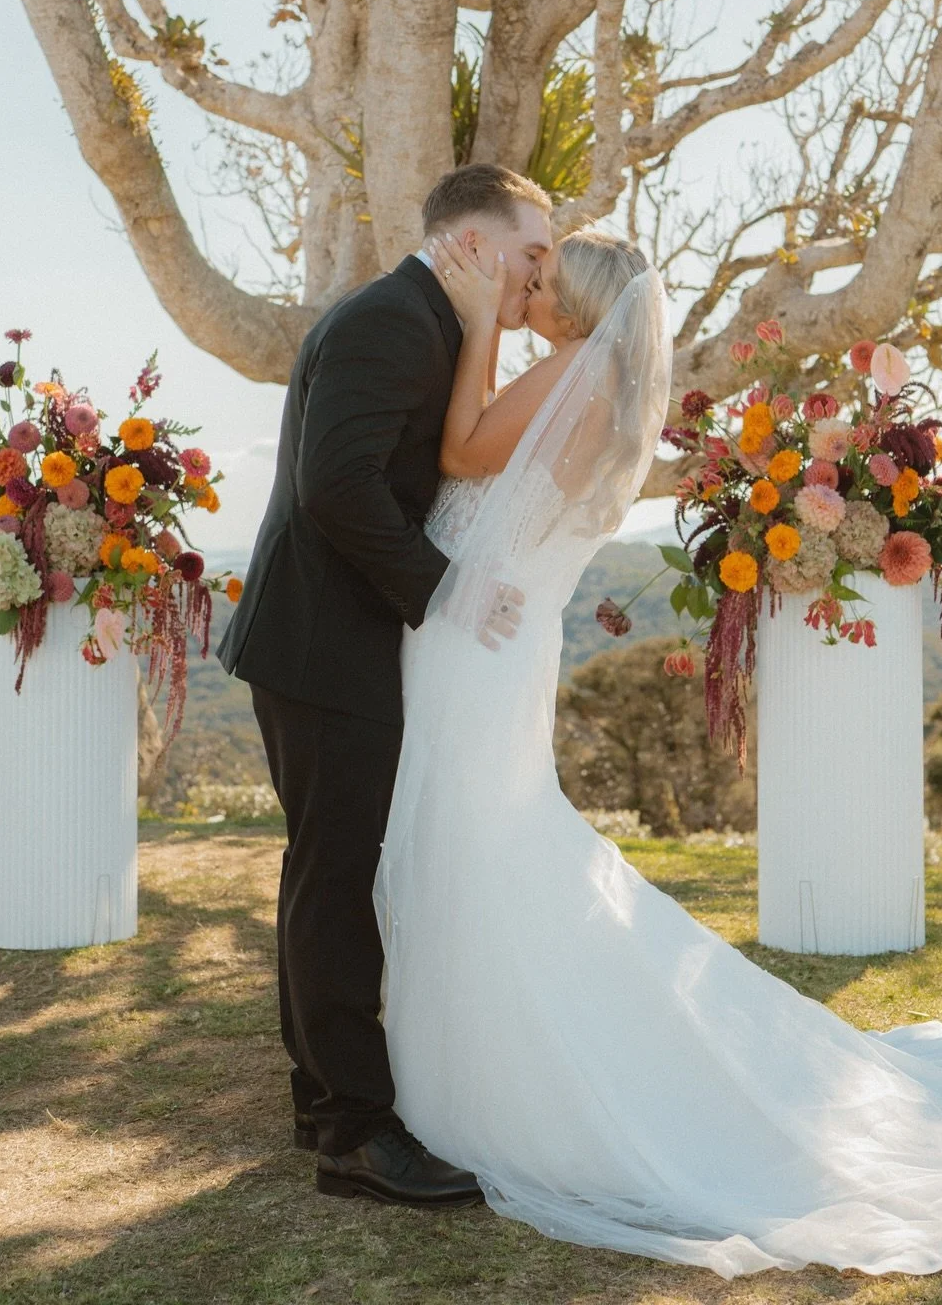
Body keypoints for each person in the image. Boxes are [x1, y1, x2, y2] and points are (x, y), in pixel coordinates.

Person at [374, 231, 942, 1282]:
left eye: (542, 283)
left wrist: (466, 328)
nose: (526, 289)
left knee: (481, 839)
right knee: (489, 835)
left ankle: (493, 1078)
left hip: (475, 641)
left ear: (581, 311)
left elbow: (458, 456)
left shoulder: (561, 373)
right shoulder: (609, 392)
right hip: (499, 634)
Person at [219, 163, 552, 1207]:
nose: (541, 274)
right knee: (333, 876)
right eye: (530, 252)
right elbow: (337, 487)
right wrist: (445, 593)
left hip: (338, 639)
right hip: (323, 643)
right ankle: (356, 1134)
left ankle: (325, 1100)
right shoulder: (393, 322)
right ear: (471, 243)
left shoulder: (427, 321)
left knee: (326, 870)